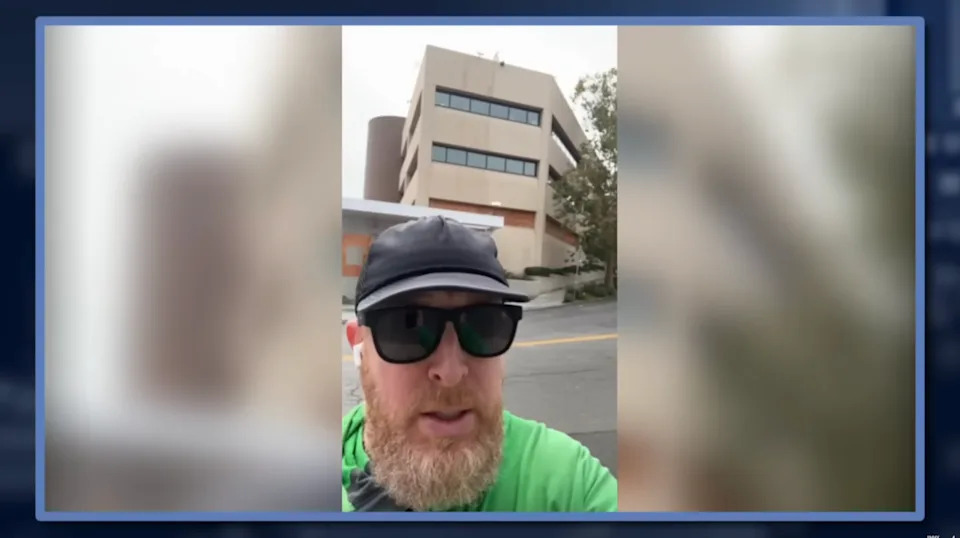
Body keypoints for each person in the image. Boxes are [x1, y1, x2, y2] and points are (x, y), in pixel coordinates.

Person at [341, 215, 617, 512]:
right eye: (406, 329)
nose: (450, 372)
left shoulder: (567, 482)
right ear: (359, 347)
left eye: (483, 325)